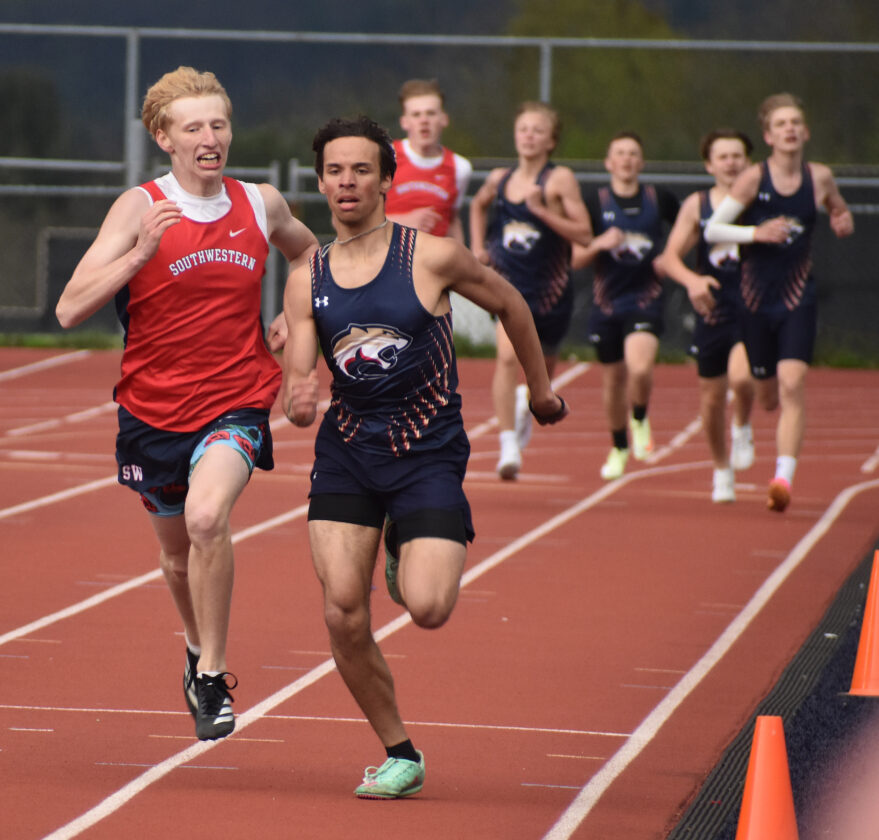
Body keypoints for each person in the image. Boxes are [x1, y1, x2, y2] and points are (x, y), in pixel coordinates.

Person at [281, 115, 568, 799]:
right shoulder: (305, 278)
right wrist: (297, 395)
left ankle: (398, 541)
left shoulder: (432, 257)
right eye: (334, 171)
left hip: (426, 453)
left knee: (430, 606)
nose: (347, 182)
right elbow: (300, 373)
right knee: (342, 611)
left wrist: (539, 390)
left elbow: (510, 304)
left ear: (386, 179)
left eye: (360, 169)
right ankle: (399, 753)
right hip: (348, 452)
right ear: (319, 182)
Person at [54, 66, 318, 740]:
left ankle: (213, 675)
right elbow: (69, 308)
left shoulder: (259, 203)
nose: (210, 138)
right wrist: (139, 252)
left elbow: (308, 255)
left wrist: (295, 315)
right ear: (164, 138)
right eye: (194, 127)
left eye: (218, 125)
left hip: (236, 397)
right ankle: (196, 650)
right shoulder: (138, 208)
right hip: (151, 410)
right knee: (177, 558)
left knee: (206, 518)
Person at [705, 93, 854, 512]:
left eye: (795, 123)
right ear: (769, 136)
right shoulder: (754, 179)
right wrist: (756, 233)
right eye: (781, 124)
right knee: (767, 395)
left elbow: (838, 208)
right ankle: (744, 423)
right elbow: (713, 230)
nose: (789, 129)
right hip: (755, 300)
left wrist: (842, 218)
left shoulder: (819, 177)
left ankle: (783, 478)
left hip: (798, 297)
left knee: (793, 382)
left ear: (805, 132)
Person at [469, 101, 591, 480]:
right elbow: (477, 205)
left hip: (550, 290)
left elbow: (584, 234)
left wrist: (541, 212)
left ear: (551, 141)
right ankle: (507, 443)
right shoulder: (500, 178)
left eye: (538, 130)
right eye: (523, 129)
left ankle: (527, 401)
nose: (529, 136)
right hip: (507, 286)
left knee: (542, 375)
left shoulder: (559, 180)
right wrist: (478, 248)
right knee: (508, 358)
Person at [571, 131, 680, 480]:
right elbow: (576, 257)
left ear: (642, 161)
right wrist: (599, 244)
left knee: (640, 367)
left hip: (646, 298)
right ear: (608, 162)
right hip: (607, 302)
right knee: (614, 378)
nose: (627, 159)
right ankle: (619, 446)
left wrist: (670, 256)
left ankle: (640, 417)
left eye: (633, 153)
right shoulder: (595, 202)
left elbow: (689, 228)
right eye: (620, 153)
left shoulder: (658, 198)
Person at [659, 128, 757, 503]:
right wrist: (692, 281)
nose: (731, 163)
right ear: (709, 165)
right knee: (712, 398)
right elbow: (669, 258)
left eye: (737, 156)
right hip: (713, 308)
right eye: (723, 157)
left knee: (743, 377)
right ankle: (721, 468)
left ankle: (743, 425)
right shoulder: (698, 205)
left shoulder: (759, 201)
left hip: (753, 305)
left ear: (748, 161)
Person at [384, 78, 472, 243]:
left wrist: (464, 256)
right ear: (404, 122)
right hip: (390, 253)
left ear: (444, 119)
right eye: (416, 114)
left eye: (430, 113)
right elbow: (359, 217)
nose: (424, 120)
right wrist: (404, 221)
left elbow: (452, 221)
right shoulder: (386, 156)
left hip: (436, 256)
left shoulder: (460, 167)